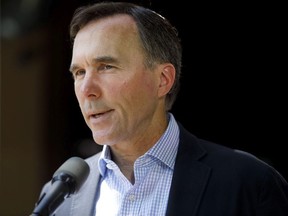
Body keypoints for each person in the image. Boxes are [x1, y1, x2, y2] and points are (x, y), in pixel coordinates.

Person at [36, 1, 288, 215]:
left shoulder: (249, 183)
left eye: (106, 67)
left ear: (163, 80)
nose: (86, 89)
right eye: (79, 72)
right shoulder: (59, 195)